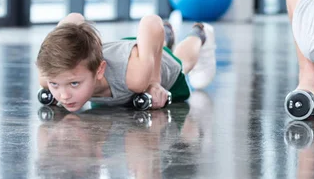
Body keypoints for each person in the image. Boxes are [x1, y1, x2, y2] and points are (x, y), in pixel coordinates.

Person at [36, 12, 216, 112]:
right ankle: (166, 36)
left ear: (99, 70)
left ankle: (199, 34)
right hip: (131, 52)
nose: (63, 96)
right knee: (147, 51)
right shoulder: (49, 75)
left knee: (182, 63)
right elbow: (74, 18)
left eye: (74, 84)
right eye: (55, 85)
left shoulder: (136, 78)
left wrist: (153, 82)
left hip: (140, 64)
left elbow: (151, 22)